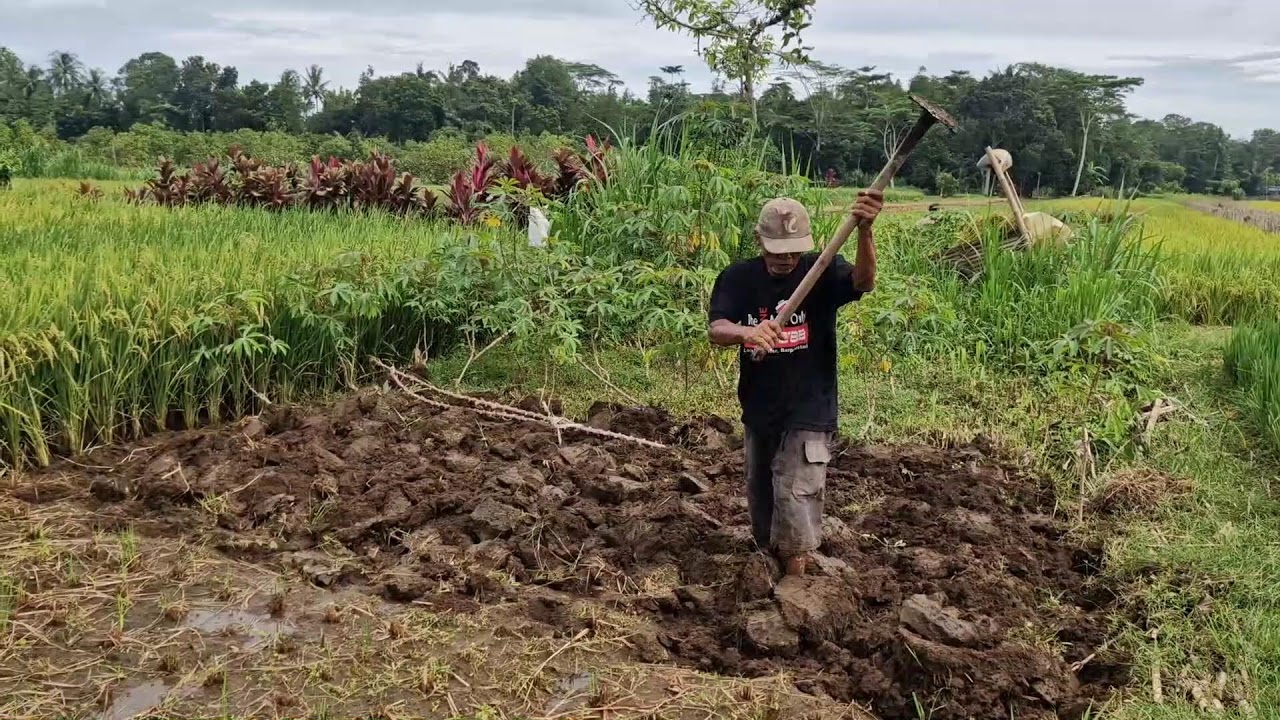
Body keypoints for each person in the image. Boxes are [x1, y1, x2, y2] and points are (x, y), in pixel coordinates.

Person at [707, 192, 884, 577]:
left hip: (810, 407)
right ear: (759, 241)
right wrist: (747, 333)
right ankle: (766, 566)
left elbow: (864, 282)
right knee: (762, 496)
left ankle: (796, 581)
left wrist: (865, 231)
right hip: (760, 408)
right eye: (776, 251)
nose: (785, 258)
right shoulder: (738, 278)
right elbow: (717, 329)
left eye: (793, 251)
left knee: (795, 493)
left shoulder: (822, 270)